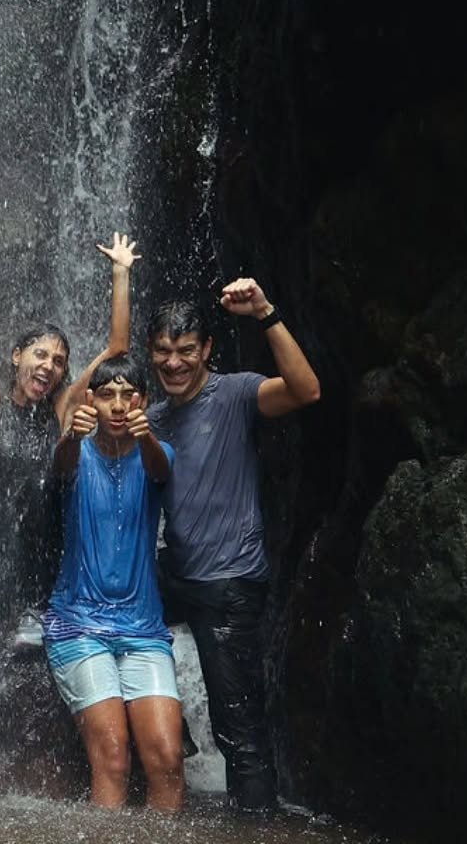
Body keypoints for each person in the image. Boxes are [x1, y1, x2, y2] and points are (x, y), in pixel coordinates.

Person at [146, 278, 321, 811]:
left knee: (239, 730)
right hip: (177, 574)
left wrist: (266, 312)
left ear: (206, 350)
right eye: (162, 351)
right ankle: (172, 727)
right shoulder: (152, 420)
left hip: (230, 583)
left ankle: (258, 823)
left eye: (185, 350)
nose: (173, 363)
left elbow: (306, 390)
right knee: (113, 606)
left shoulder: (236, 393)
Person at [0, 220, 140, 646]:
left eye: (58, 361)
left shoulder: (62, 409)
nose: (48, 366)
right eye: (40, 354)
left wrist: (120, 273)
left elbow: (117, 350)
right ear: (17, 356)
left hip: (43, 569)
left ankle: (38, 615)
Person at [42, 357, 187, 811]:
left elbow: (160, 469)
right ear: (91, 400)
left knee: (168, 759)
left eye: (129, 396)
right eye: (108, 396)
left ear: (143, 401)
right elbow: (60, 466)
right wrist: (72, 434)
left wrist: (145, 436)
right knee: (113, 757)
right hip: (79, 625)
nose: (119, 405)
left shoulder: (157, 452)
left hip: (143, 630)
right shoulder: (76, 453)